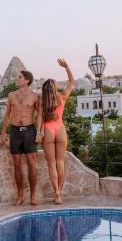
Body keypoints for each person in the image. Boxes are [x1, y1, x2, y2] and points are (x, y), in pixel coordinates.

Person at [0, 70, 41, 206]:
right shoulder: (11, 95)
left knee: (31, 164)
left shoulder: (35, 96)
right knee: (17, 165)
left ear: (27, 80)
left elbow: (40, 115)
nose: (17, 79)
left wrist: (39, 132)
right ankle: (20, 195)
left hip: (29, 130)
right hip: (15, 131)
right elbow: (7, 115)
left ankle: (33, 195)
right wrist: (3, 132)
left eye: (20, 77)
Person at [36, 59, 74, 204]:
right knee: (60, 163)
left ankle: (56, 193)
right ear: (54, 87)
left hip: (48, 130)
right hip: (60, 129)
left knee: (51, 164)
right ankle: (60, 192)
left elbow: (39, 117)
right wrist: (66, 67)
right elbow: (71, 82)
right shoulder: (62, 97)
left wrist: (39, 133)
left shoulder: (42, 101)